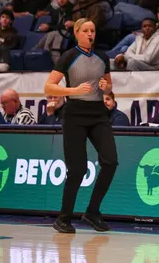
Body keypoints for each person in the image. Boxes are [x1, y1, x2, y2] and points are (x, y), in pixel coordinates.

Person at [43, 18, 118, 234]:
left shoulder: (103, 57)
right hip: (74, 114)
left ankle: (93, 211)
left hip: (98, 114)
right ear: (77, 33)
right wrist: (73, 91)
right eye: (85, 30)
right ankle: (63, 218)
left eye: (93, 30)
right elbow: (49, 86)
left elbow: (108, 88)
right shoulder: (69, 56)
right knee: (77, 170)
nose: (90, 34)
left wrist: (107, 88)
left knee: (111, 161)